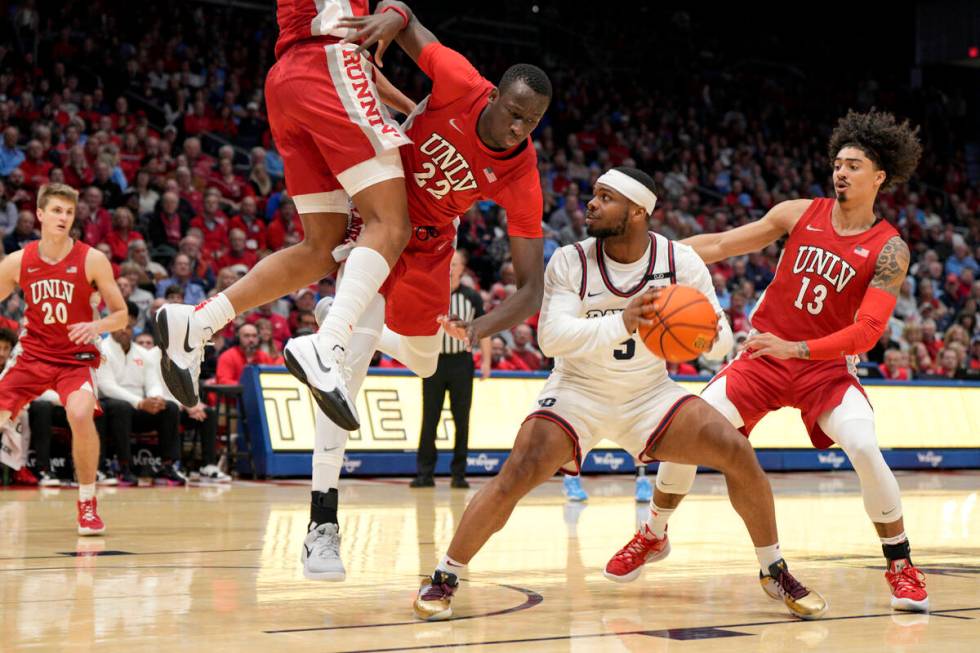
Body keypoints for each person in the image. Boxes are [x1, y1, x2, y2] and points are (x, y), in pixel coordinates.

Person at [413, 167, 825, 621]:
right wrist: (624, 320)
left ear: (636, 211)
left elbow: (723, 339)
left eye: (604, 197)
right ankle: (444, 576)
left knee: (736, 449)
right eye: (593, 195)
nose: (590, 204)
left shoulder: (679, 261)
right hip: (577, 390)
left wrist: (706, 339)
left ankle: (773, 568)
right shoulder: (570, 260)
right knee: (518, 470)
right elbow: (552, 338)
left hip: (649, 393)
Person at [625, 110, 929, 612]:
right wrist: (657, 258)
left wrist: (801, 349)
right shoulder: (797, 212)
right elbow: (721, 245)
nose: (841, 172)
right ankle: (654, 534)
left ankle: (900, 564)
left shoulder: (890, 248)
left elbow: (869, 332)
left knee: (863, 445)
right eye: (837, 163)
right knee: (688, 432)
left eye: (854, 165)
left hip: (824, 368)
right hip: (764, 357)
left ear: (879, 177)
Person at [296, 2, 551, 581]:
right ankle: (322, 523)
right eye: (513, 114)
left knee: (423, 359)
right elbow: (410, 25)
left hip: (434, 243)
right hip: (383, 215)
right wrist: (393, 13)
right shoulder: (461, 80)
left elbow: (532, 287)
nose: (517, 129)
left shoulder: (521, 174)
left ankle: (347, 316)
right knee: (344, 373)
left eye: (530, 123)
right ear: (493, 97)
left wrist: (480, 327)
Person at [157, 0, 418, 436]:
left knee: (321, 247)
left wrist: (412, 107)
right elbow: (355, 48)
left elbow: (364, 64)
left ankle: (199, 321)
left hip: (290, 80)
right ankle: (327, 345)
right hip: (329, 64)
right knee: (390, 224)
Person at [0, 183, 127, 534]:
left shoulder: (91, 259)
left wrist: (96, 324)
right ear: (40, 214)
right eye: (56, 210)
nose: (63, 218)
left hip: (76, 357)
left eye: (69, 212)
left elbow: (122, 315)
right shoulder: (18, 261)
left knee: (81, 413)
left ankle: (87, 504)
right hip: (33, 353)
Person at [411, 251, 491, 489]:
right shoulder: (431, 295)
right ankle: (425, 474)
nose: (450, 267)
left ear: (461, 269)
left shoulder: (472, 297)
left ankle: (459, 474)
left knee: (462, 419)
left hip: (461, 363)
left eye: (454, 264)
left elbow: (484, 330)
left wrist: (486, 361)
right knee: (429, 418)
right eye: (448, 263)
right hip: (434, 363)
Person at [96, 301, 186, 486]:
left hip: (139, 406)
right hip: (112, 406)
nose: (124, 331)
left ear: (134, 327)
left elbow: (152, 382)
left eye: (128, 327)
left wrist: (155, 397)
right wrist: (140, 402)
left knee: (169, 407)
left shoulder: (142, 354)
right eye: (120, 326)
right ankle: (124, 467)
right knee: (119, 407)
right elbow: (107, 386)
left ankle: (167, 465)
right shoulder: (102, 350)